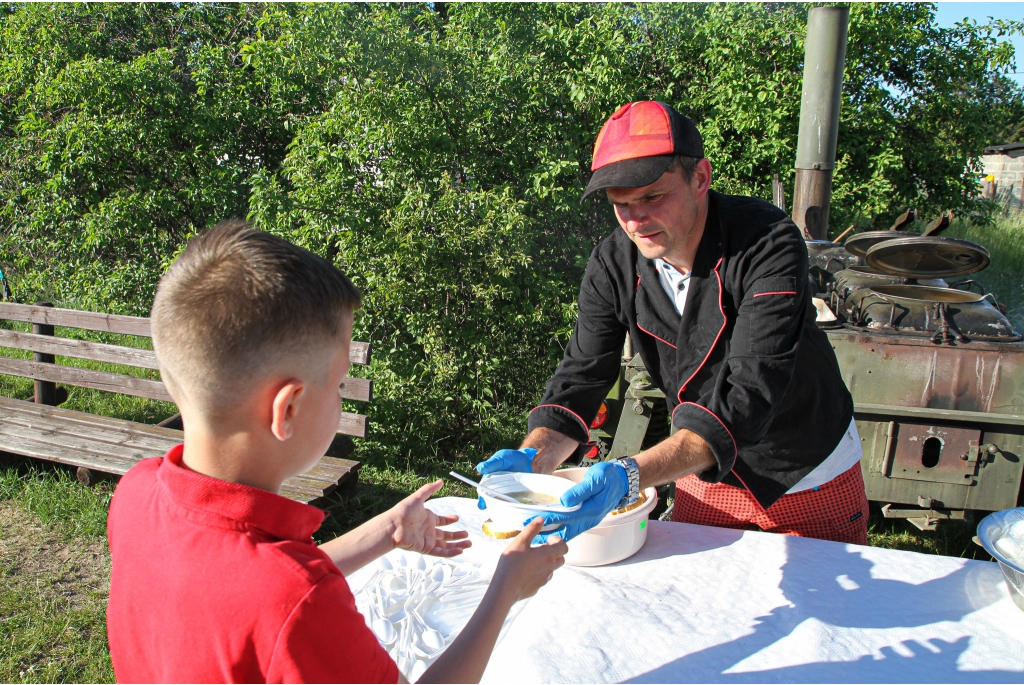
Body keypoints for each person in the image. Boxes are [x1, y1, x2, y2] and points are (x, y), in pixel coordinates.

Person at [106, 220, 567, 683]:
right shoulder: (298, 604)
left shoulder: (137, 490)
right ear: (286, 409)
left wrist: (385, 531)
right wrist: (504, 590)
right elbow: (283, 597)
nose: (342, 397)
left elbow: (228, 588)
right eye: (340, 383)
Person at [478, 101, 867, 545]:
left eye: (651, 197)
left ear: (700, 177)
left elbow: (752, 390)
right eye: (619, 204)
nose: (635, 220)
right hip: (702, 469)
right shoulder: (613, 263)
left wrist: (629, 475)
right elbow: (581, 377)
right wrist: (536, 457)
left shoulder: (767, 241)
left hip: (806, 466)